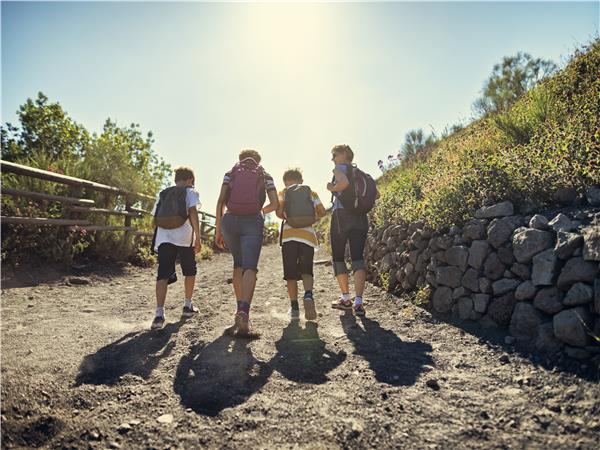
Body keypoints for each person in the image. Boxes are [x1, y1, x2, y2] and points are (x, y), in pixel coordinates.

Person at [215, 149, 279, 337]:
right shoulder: (265, 174)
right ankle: (244, 311)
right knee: (250, 267)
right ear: (258, 160)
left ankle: (238, 310)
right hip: (252, 220)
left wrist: (218, 229)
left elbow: (220, 202)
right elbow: (275, 204)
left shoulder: (230, 173)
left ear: (240, 160)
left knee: (238, 264)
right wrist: (261, 211)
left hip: (230, 221)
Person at [150, 166, 201, 330]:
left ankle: (159, 315)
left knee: (162, 273)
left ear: (175, 179)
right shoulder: (190, 192)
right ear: (190, 180)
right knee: (190, 271)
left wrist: (159, 238)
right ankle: (187, 306)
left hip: (164, 238)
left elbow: (154, 218)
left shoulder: (164, 193)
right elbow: (193, 213)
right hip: (184, 238)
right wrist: (198, 237)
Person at [327, 144, 372, 316]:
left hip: (341, 216)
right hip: (360, 216)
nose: (332, 159)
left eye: (334, 154)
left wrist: (331, 188)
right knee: (358, 257)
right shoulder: (360, 173)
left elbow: (343, 183)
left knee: (338, 257)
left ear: (344, 154)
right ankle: (359, 302)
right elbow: (376, 194)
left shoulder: (339, 169)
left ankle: (346, 299)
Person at [275, 168, 326, 320]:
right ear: (301, 180)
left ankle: (294, 308)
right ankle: (309, 296)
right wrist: (312, 219)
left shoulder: (283, 192)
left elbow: (278, 213)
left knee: (290, 274)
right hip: (307, 237)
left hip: (289, 237)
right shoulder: (311, 192)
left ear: (285, 182)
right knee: (307, 270)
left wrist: (287, 216)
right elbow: (322, 211)